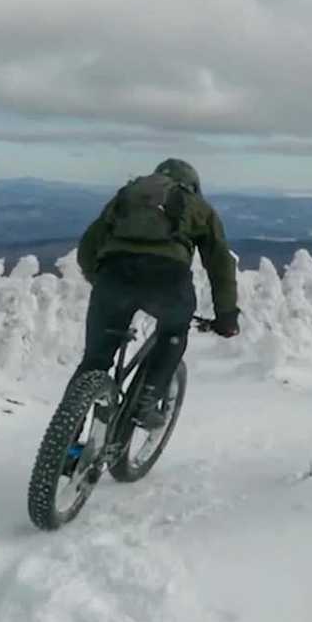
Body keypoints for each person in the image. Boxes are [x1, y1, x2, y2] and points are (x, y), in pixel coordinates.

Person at [75, 158, 240, 429]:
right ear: (193, 185)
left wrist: (103, 283)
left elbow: (87, 248)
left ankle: (66, 444)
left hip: (113, 276)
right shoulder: (199, 206)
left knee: (94, 361)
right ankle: (146, 402)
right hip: (167, 280)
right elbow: (220, 263)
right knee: (174, 331)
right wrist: (226, 315)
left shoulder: (127, 197)